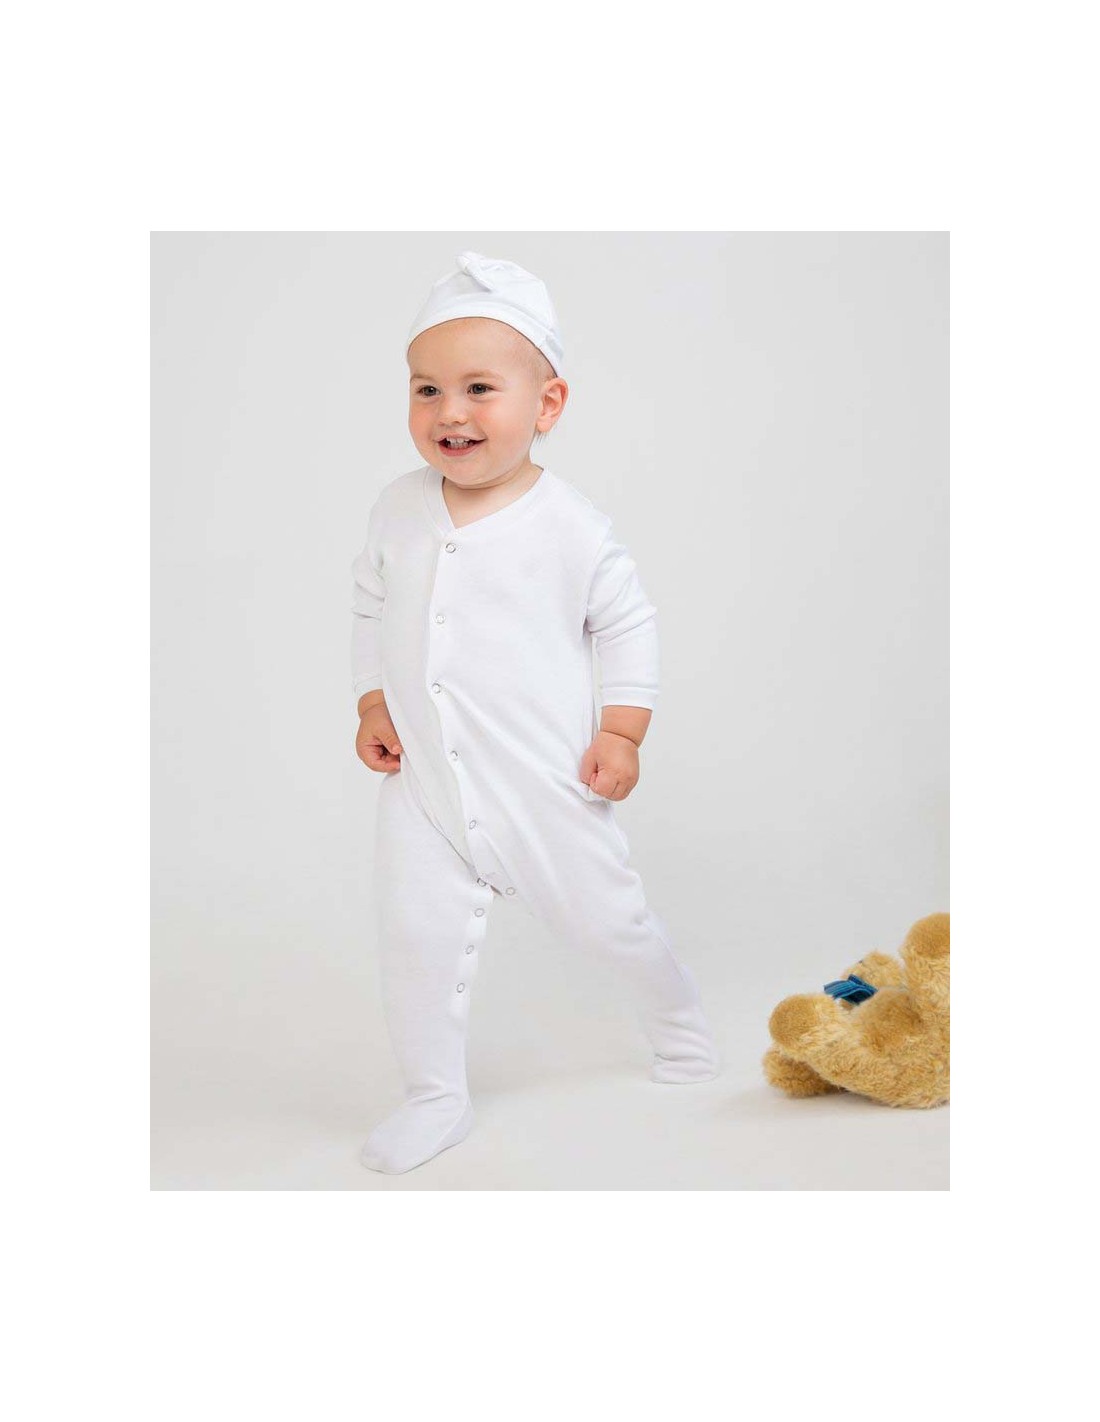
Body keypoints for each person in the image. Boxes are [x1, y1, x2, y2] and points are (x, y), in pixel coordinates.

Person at [350, 250, 719, 1174]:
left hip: (545, 780)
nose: (450, 412)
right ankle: (434, 1095)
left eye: (480, 389)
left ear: (547, 404)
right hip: (426, 783)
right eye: (426, 389)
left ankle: (678, 1022)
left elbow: (626, 624)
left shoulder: (571, 527)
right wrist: (373, 700)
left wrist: (622, 731)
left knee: (609, 921)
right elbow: (370, 605)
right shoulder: (397, 509)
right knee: (414, 938)